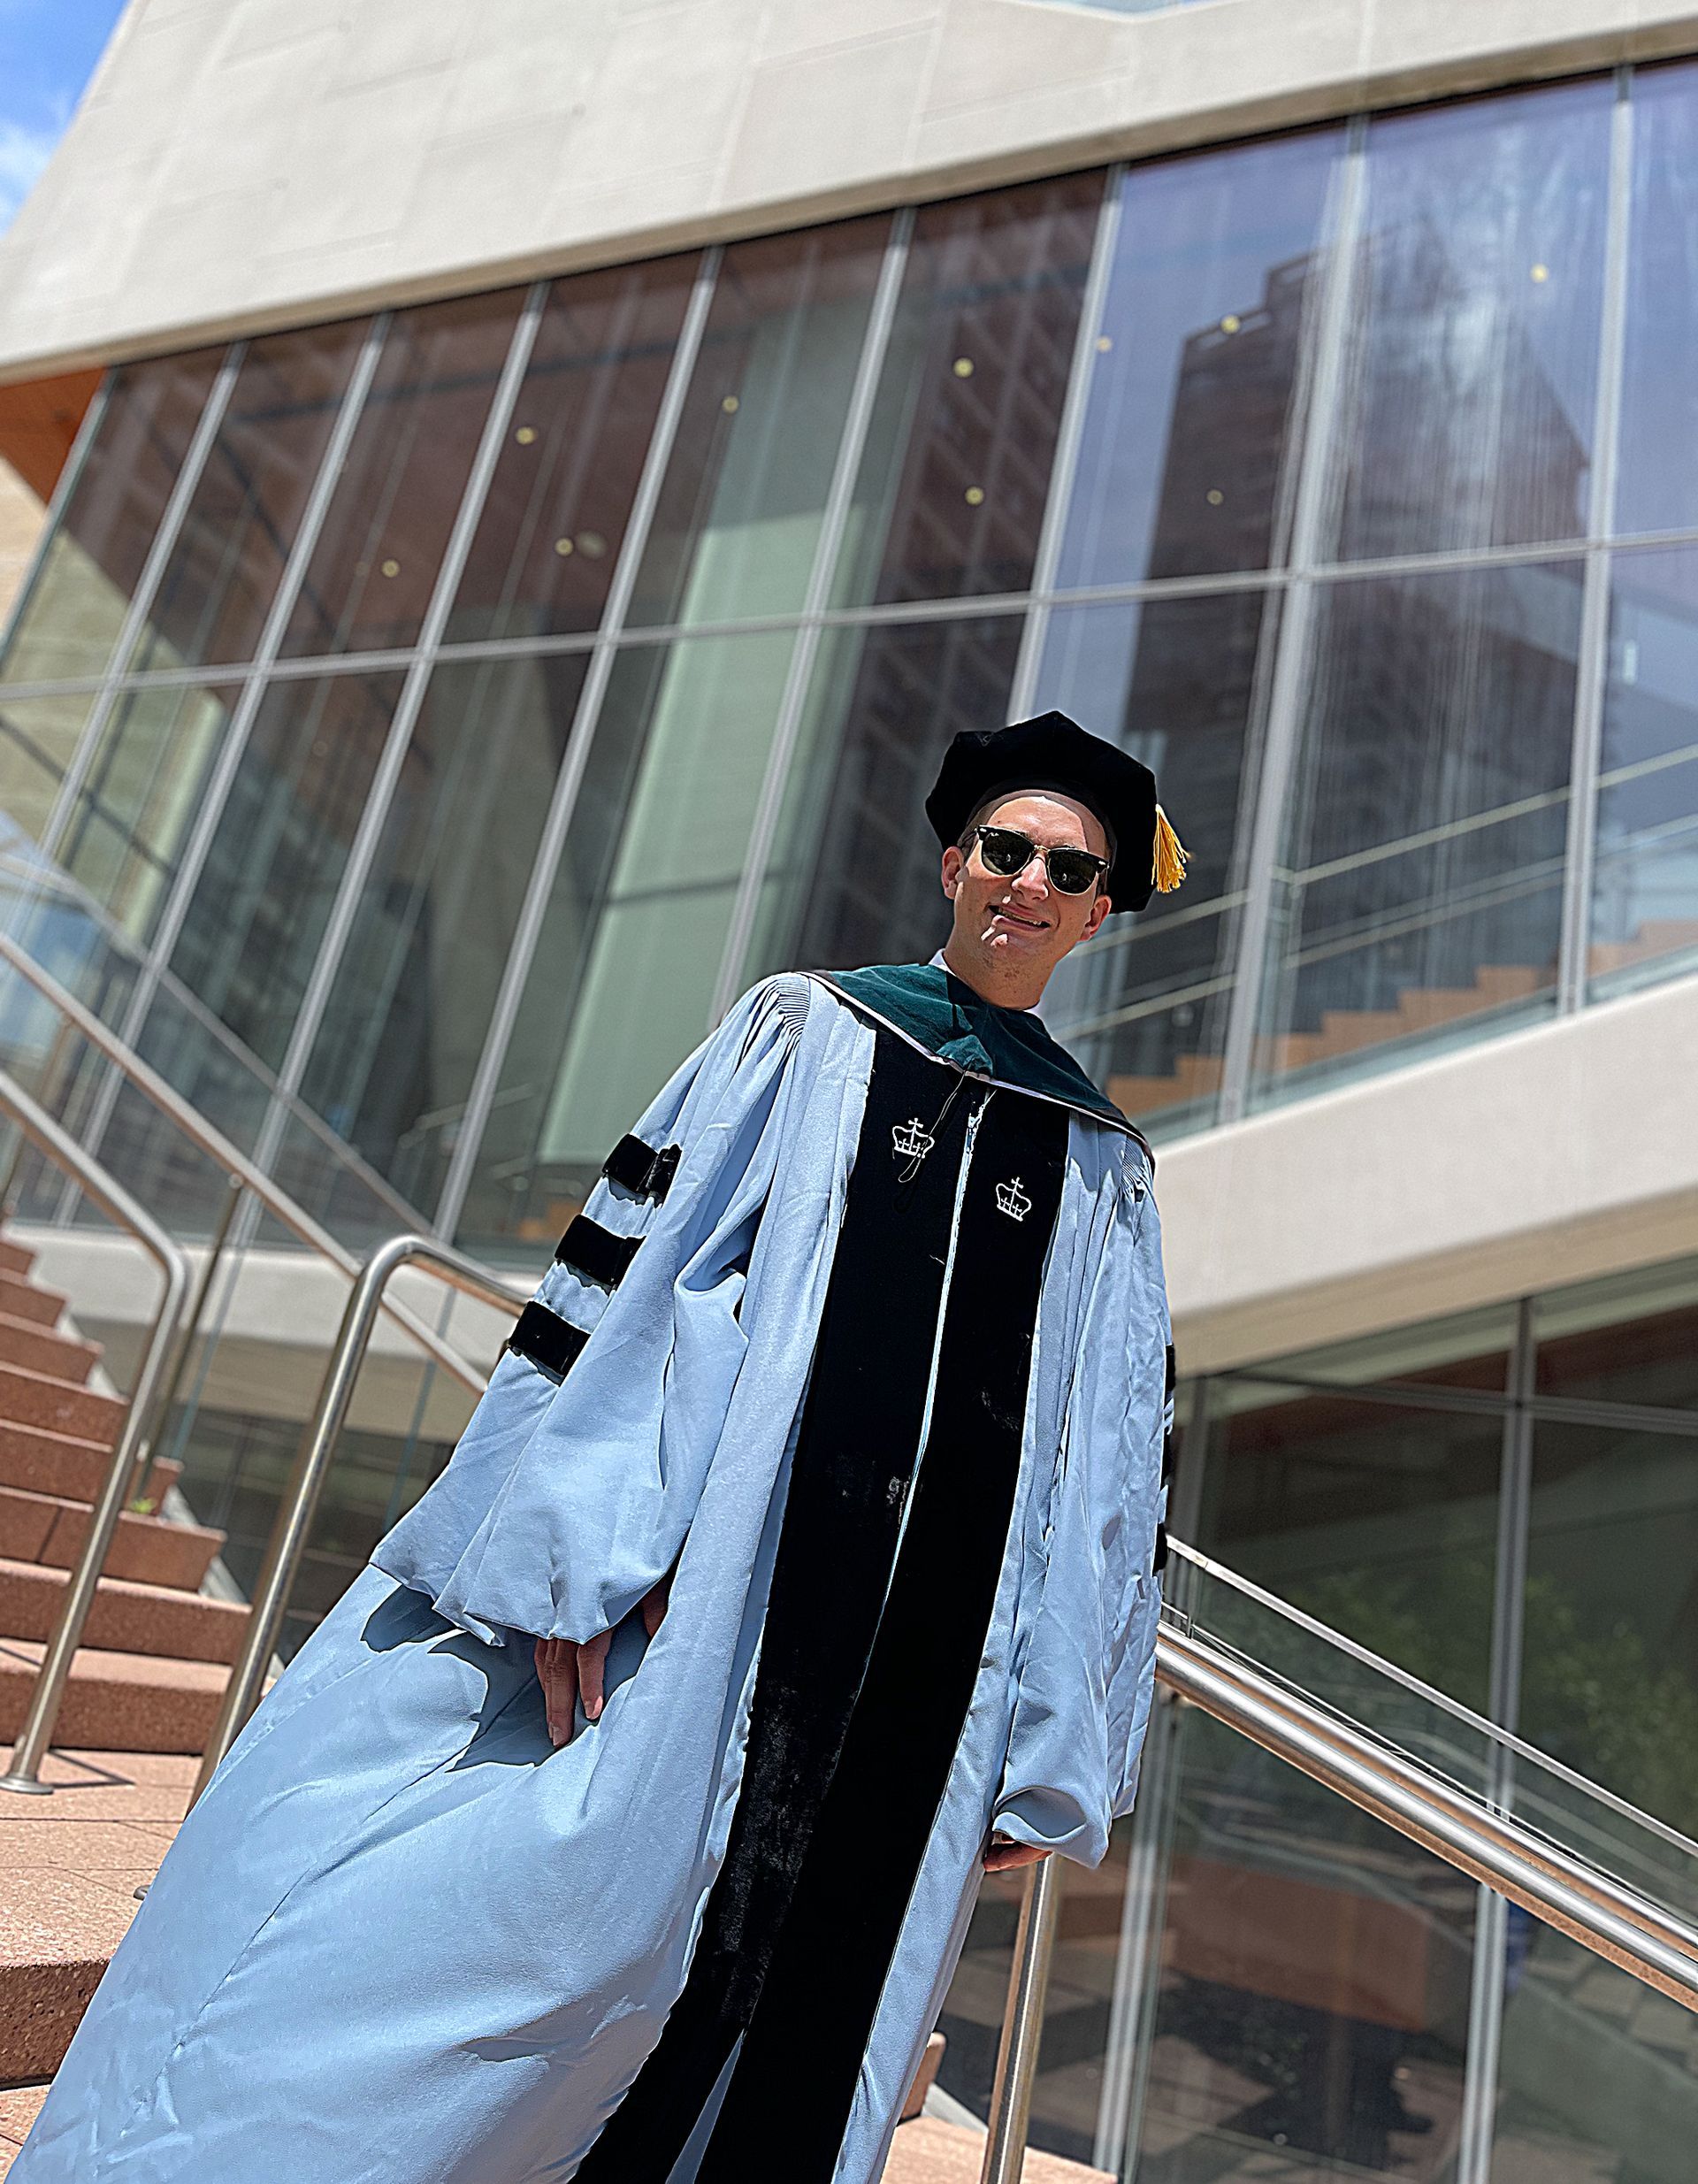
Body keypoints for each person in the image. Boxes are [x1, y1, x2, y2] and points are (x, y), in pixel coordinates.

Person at [17, 709, 1184, 2184]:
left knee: (806, 2038)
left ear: (1096, 912)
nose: (1030, 883)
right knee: (538, 1948)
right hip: (724, 1615)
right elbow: (639, 1291)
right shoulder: (806, 1034)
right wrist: (567, 1552)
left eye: (1069, 870)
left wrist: (1049, 1740)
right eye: (1006, 849)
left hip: (935, 1676)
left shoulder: (1100, 1165)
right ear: (955, 863)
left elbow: (1109, 1475)